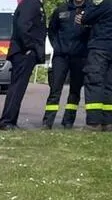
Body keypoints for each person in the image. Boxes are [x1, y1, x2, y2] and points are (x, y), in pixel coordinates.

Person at [0, 0, 45, 130]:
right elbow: (23, 25)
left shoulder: (34, 4)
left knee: (17, 89)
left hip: (24, 51)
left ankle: (10, 121)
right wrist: (30, 47)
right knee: (17, 88)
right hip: (24, 52)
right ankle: (7, 121)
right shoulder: (31, 3)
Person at [43, 0, 88, 129]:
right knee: (55, 90)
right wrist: (57, 47)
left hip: (80, 57)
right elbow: (52, 30)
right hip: (60, 57)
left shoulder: (90, 10)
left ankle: (68, 121)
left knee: (75, 91)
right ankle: (47, 122)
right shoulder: (61, 9)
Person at [78, 0, 112, 131]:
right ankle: (108, 122)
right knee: (109, 86)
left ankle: (93, 123)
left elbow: (86, 18)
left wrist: (90, 6)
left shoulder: (106, 4)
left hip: (100, 48)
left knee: (94, 82)